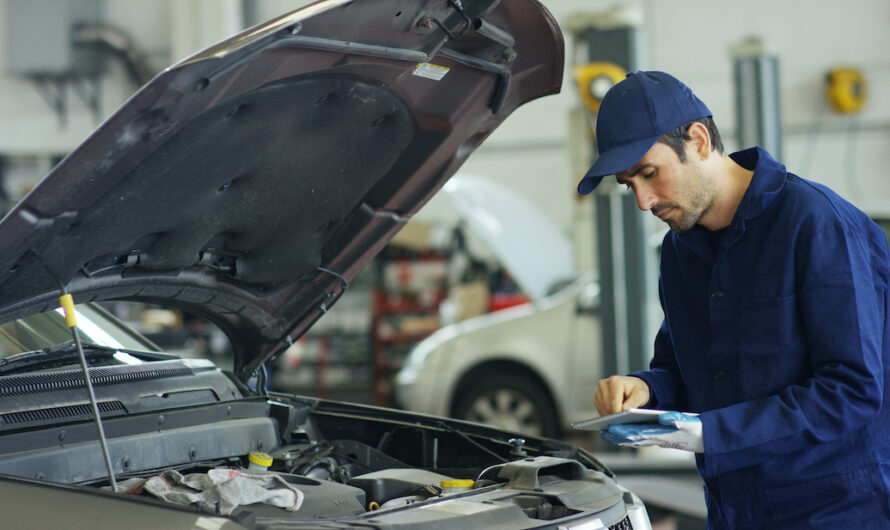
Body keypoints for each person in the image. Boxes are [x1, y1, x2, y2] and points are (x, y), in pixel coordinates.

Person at [578, 71, 890, 528]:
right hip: (734, 508)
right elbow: (686, 371)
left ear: (699, 140)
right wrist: (647, 390)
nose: (643, 201)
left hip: (835, 507)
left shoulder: (816, 224)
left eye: (649, 173)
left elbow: (852, 389)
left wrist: (713, 433)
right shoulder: (680, 250)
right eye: (630, 185)